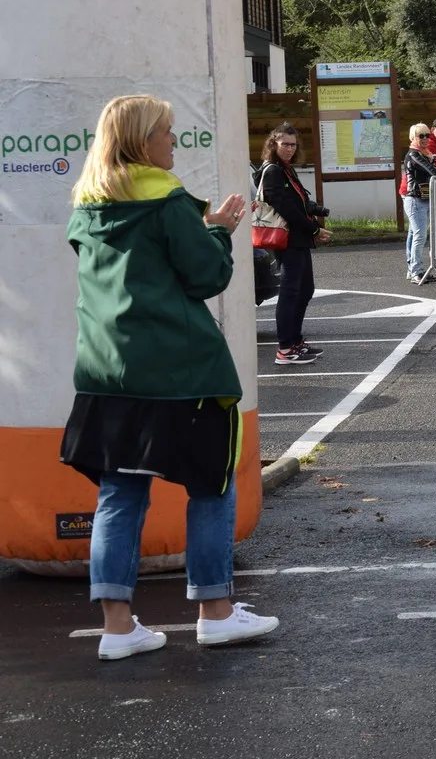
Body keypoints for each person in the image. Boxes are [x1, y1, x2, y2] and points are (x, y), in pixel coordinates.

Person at [62, 94, 279, 660]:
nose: (173, 142)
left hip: (106, 373)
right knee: (211, 485)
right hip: (182, 373)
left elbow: (141, 267)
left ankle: (117, 628)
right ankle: (215, 612)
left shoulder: (87, 206)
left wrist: (196, 226)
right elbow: (205, 276)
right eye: (166, 132)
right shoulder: (167, 200)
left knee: (119, 493)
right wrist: (219, 230)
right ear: (141, 142)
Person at [259, 124, 331, 365]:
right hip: (287, 239)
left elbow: (298, 201)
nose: (289, 149)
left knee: (304, 289)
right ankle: (285, 348)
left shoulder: (285, 169)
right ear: (273, 144)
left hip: (297, 238)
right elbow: (285, 207)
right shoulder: (273, 171)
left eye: (292, 144)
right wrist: (313, 228)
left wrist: (318, 211)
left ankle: (295, 341)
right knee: (291, 292)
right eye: (284, 144)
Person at [402, 123, 436, 283]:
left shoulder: (425, 154)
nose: (425, 139)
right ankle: (416, 271)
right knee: (420, 235)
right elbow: (433, 172)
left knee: (414, 234)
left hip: (422, 198)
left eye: (427, 135)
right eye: (421, 136)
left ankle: (415, 269)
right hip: (415, 198)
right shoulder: (414, 155)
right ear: (413, 138)